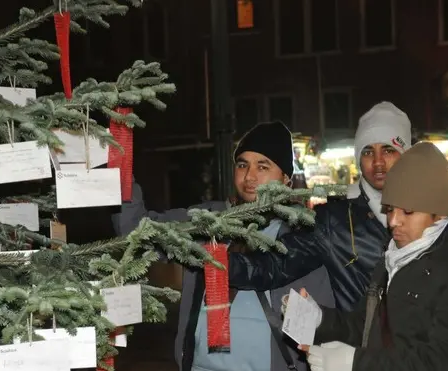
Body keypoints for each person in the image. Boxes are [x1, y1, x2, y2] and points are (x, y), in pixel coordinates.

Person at [113, 121, 335, 371]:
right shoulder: (206, 221)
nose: (250, 176)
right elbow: (138, 232)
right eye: (242, 165)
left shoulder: (302, 236)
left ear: (285, 177)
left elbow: (322, 326)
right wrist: (119, 171)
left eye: (263, 166)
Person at [300, 142, 448, 371]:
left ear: (437, 212)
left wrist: (357, 363)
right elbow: (368, 325)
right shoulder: (397, 255)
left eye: (407, 211)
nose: (393, 221)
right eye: (389, 209)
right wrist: (319, 319)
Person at [228, 102, 412, 313]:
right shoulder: (336, 220)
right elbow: (276, 265)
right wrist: (216, 262)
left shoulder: (435, 215)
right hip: (363, 343)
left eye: (388, 150)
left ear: (405, 153)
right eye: (368, 152)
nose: (378, 162)